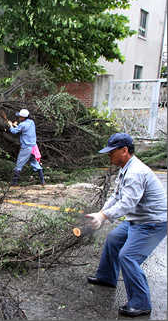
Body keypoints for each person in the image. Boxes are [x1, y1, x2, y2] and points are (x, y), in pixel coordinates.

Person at [85, 132, 167, 317]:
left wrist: (104, 216)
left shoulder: (136, 172)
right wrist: (100, 214)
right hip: (137, 219)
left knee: (128, 257)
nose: (109, 155)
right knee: (114, 239)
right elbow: (116, 197)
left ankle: (141, 303)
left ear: (124, 150)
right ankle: (107, 278)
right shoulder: (125, 168)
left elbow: (127, 204)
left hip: (152, 223)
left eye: (111, 152)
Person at [7, 108, 44, 185]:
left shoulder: (22, 124)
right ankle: (42, 181)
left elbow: (14, 131)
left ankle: (14, 182)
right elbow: (24, 130)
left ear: (23, 117)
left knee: (19, 164)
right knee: (35, 163)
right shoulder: (31, 122)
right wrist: (16, 125)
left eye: (20, 117)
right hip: (34, 147)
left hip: (26, 148)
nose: (19, 118)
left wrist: (10, 125)